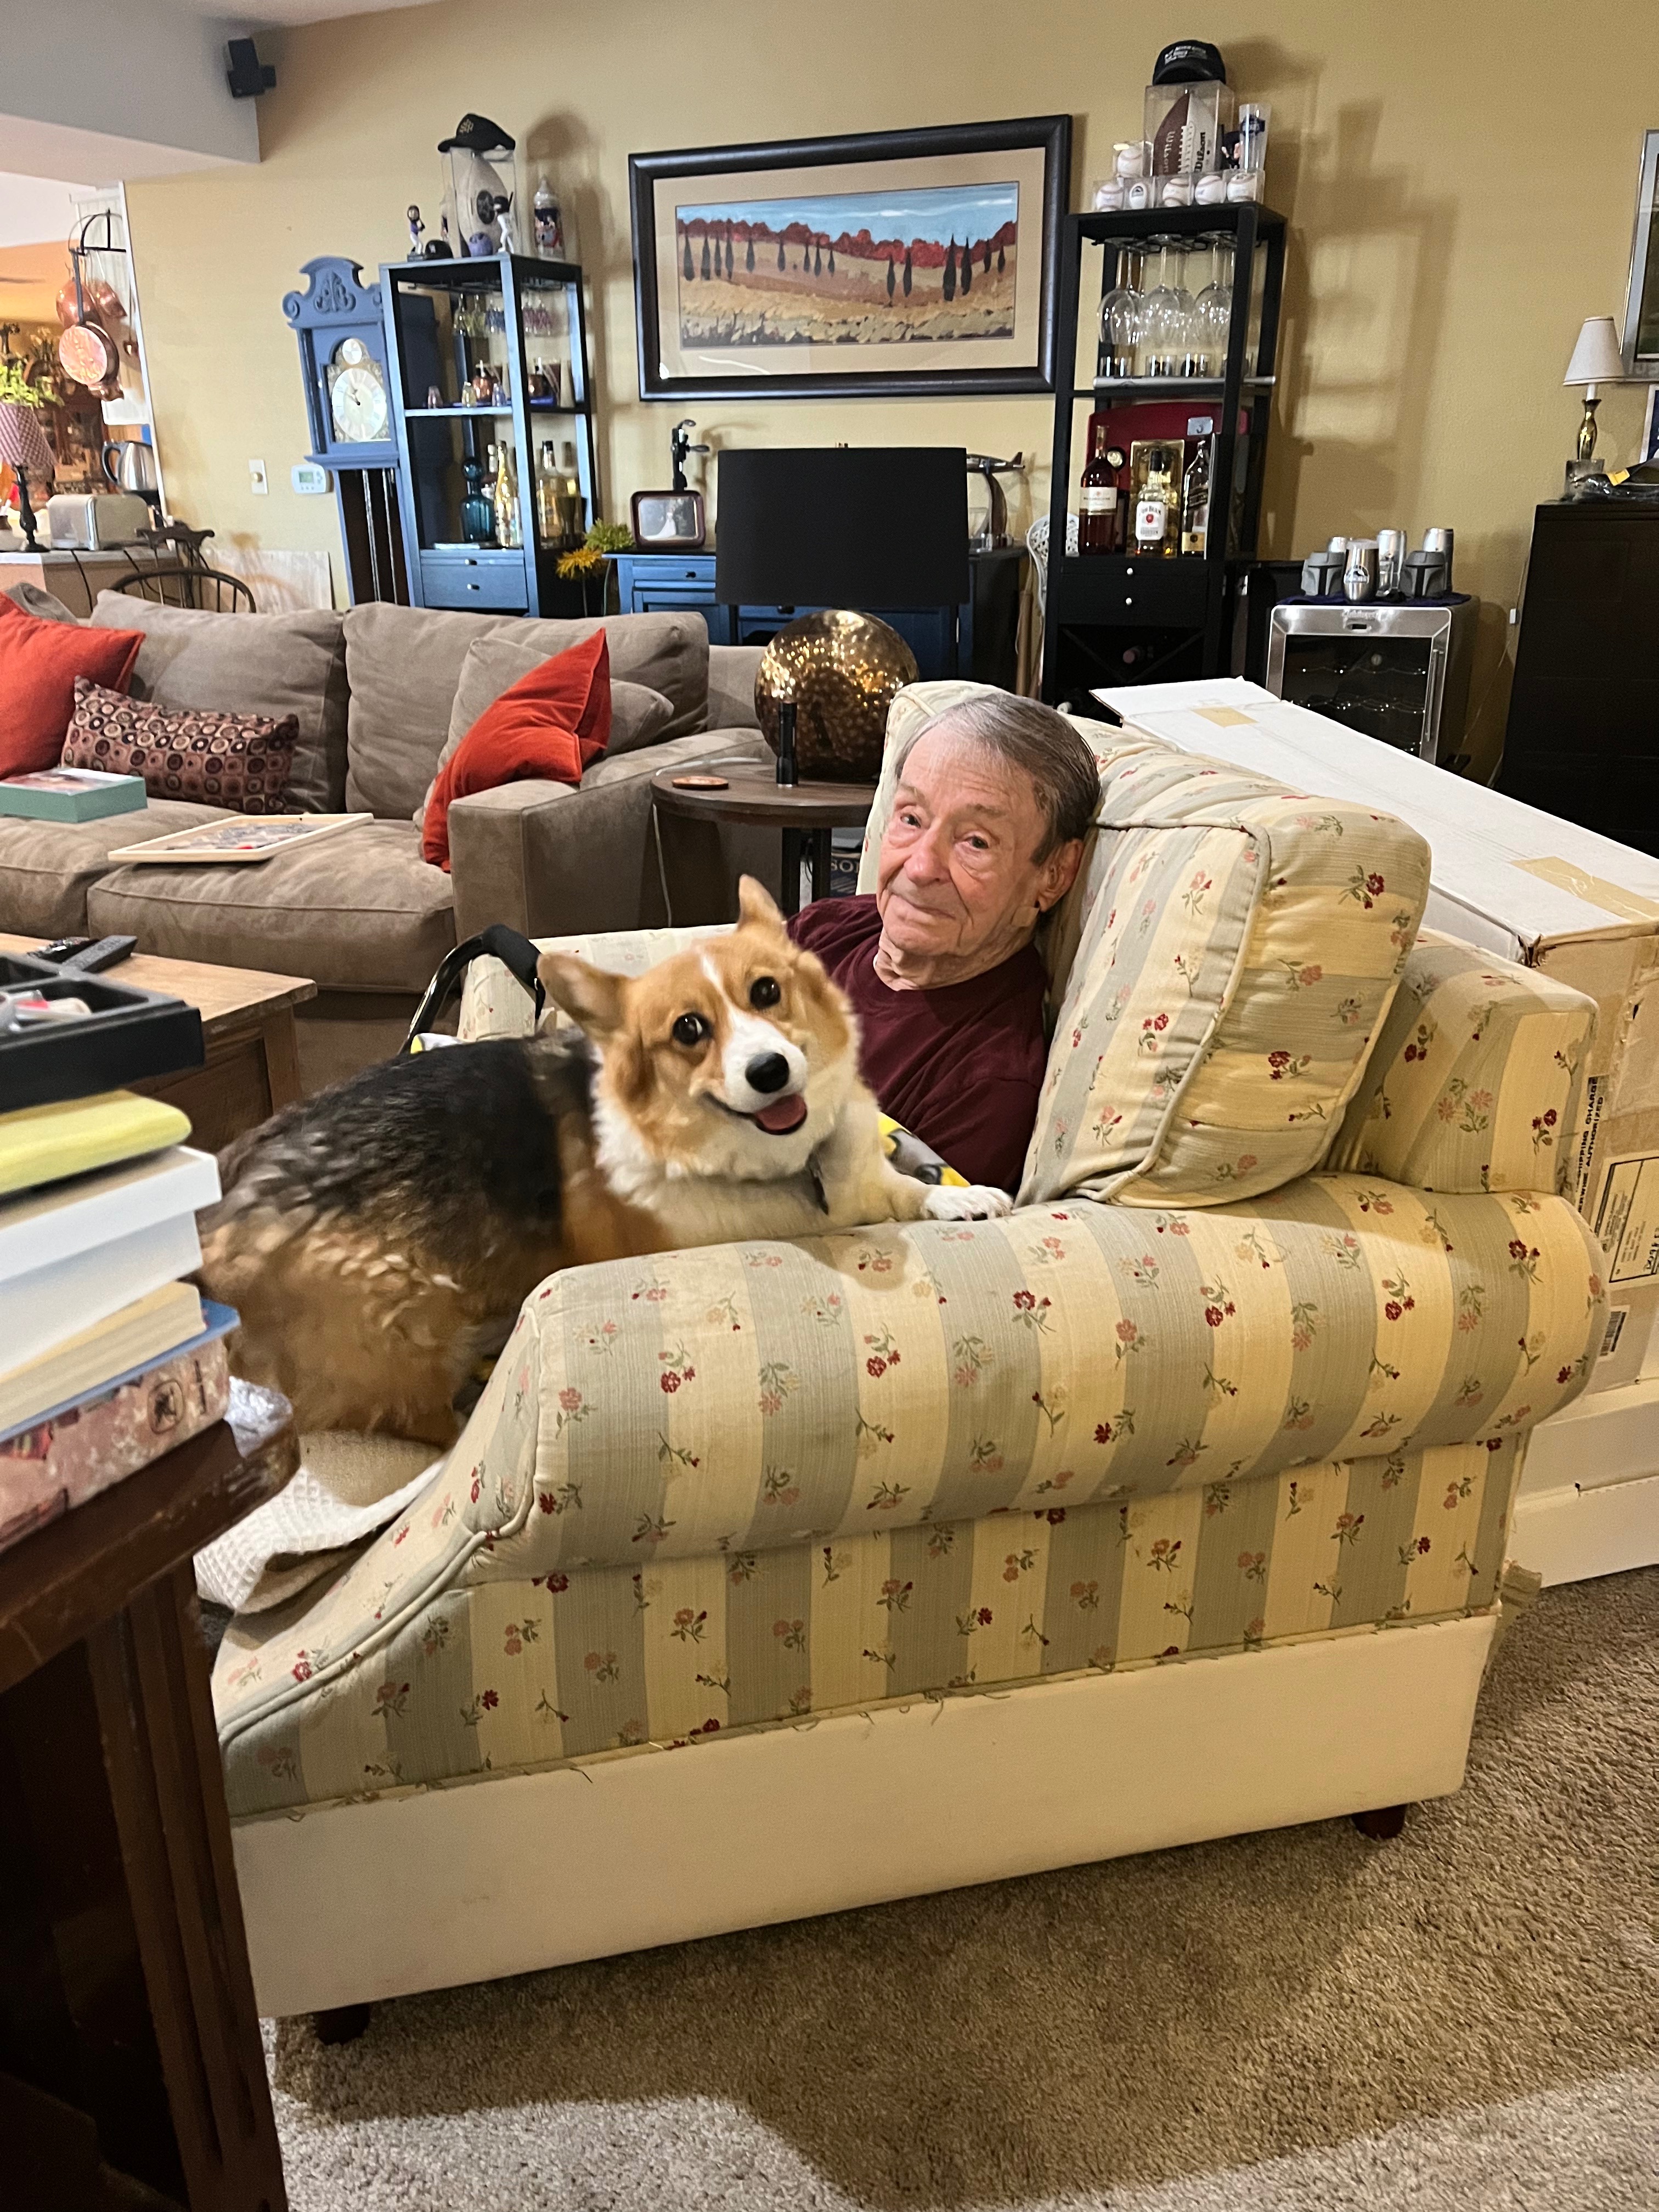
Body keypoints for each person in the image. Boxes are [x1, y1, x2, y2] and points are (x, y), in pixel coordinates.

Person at [787, 693, 1099, 1193]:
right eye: (911, 818)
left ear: (1053, 875)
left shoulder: (984, 1084)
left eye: (975, 841)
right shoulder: (826, 930)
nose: (920, 867)